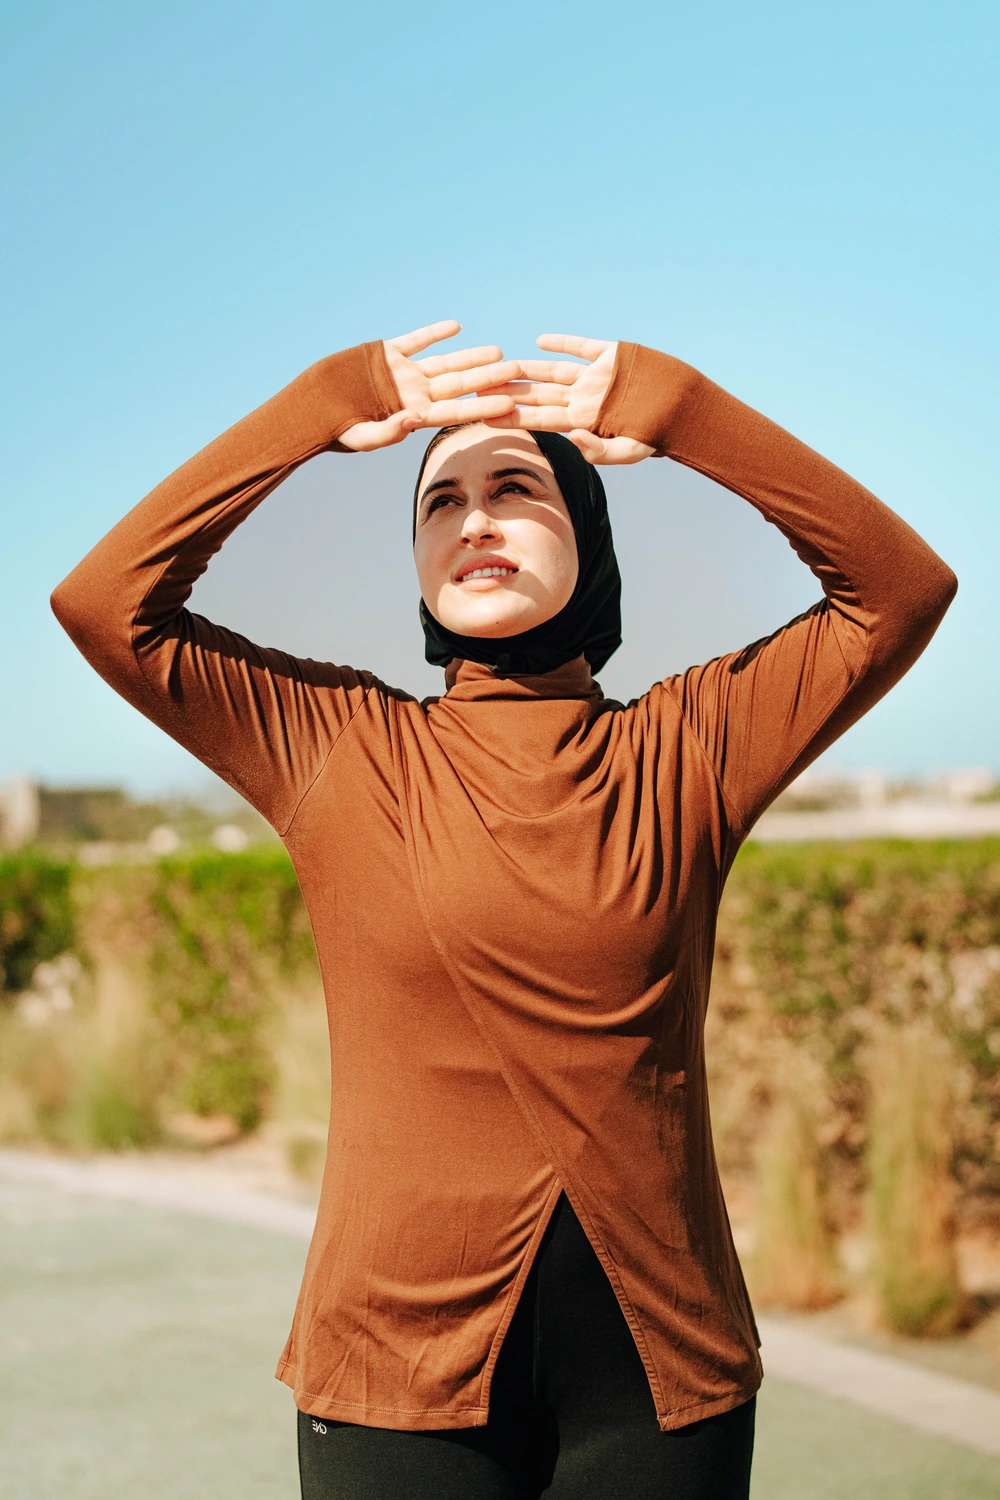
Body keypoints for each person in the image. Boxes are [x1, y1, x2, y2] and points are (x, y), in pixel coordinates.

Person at [52, 320, 956, 1499]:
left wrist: (680, 409)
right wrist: (324, 407)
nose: (474, 519)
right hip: (391, 1382)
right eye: (440, 502)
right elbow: (106, 604)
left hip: (658, 1381)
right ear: (420, 560)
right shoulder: (338, 747)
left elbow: (898, 591)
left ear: (587, 532)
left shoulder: (690, 749)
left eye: (516, 488)